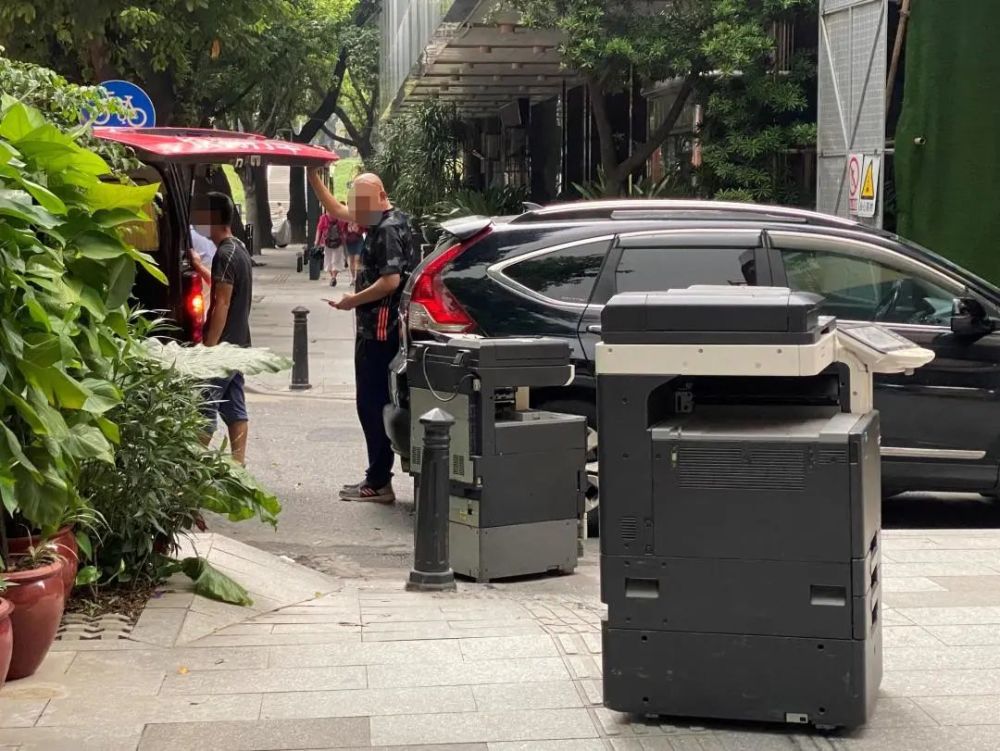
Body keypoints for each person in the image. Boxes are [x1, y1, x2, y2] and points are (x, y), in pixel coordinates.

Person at [308, 168, 411, 504]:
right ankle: (377, 477)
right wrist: (312, 175)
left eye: (362, 202)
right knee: (371, 403)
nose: (356, 210)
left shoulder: (387, 229)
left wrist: (350, 301)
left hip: (381, 331)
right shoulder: (384, 218)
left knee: (372, 404)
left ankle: (379, 480)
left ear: (381, 196)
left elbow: (390, 281)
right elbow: (337, 211)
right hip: (376, 328)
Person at [196, 192, 254, 465]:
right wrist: (199, 266)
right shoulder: (238, 249)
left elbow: (222, 302)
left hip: (224, 347)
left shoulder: (225, 254)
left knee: (203, 407)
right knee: (235, 408)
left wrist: (209, 348)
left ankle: (190, 471)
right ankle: (238, 466)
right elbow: (224, 287)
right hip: (240, 344)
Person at [315, 210, 346, 287]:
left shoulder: (324, 217)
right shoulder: (340, 217)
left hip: (326, 242)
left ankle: (332, 277)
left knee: (328, 260)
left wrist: (317, 241)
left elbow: (319, 229)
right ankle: (334, 276)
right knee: (337, 260)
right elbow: (345, 229)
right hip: (339, 242)